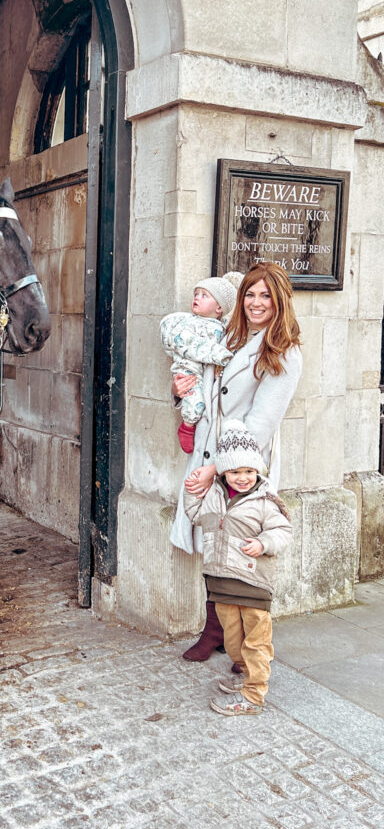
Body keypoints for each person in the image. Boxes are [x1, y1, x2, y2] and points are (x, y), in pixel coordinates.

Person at [170, 261, 302, 664]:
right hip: (209, 450)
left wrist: (218, 468)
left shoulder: (284, 351)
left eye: (265, 295)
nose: (256, 303)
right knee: (213, 541)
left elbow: (261, 425)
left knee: (239, 550)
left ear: (279, 301)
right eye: (250, 294)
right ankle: (217, 632)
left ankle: (243, 648)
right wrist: (181, 391)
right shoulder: (230, 336)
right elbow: (206, 392)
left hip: (242, 466)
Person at [184, 419, 293, 715]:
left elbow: (283, 531)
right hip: (221, 583)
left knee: (256, 642)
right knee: (233, 640)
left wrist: (263, 543)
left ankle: (254, 696)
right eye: (235, 471)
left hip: (253, 582)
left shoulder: (265, 500)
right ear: (223, 472)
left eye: (248, 471)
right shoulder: (215, 495)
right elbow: (194, 514)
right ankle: (245, 676)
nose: (242, 478)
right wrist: (193, 488)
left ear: (257, 470)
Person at [159, 272, 242, 453]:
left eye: (204, 295)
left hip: (224, 422)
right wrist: (223, 356)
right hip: (189, 368)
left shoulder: (226, 330)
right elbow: (191, 344)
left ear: (219, 308)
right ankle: (187, 426)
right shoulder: (188, 324)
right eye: (196, 294)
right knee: (195, 400)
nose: (197, 298)